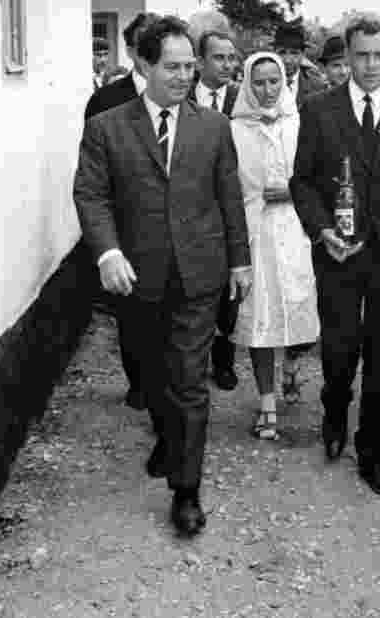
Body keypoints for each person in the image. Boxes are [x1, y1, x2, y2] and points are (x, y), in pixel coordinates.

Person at [73, 16, 251, 536]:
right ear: (144, 65)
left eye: (189, 66)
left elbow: (229, 196)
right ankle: (169, 437)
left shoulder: (213, 127)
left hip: (199, 274)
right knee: (152, 375)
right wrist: (108, 252)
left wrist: (239, 260)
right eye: (172, 67)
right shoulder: (107, 127)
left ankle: (186, 491)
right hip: (136, 277)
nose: (184, 76)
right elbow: (91, 195)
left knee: (190, 380)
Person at [290, 14, 380, 496]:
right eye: (361, 55)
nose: (370, 65)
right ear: (348, 56)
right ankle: (335, 411)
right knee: (340, 352)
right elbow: (302, 181)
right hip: (338, 253)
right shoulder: (319, 108)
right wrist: (323, 230)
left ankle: (373, 452)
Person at [229, 52, 320, 439]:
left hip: (299, 229)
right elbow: (227, 185)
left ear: (285, 82)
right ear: (248, 84)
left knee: (305, 308)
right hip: (257, 232)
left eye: (274, 81)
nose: (267, 90)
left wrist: (293, 191)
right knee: (260, 319)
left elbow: (319, 177)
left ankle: (293, 365)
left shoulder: (301, 124)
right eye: (259, 82)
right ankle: (266, 401)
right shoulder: (234, 130)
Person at [83, 12, 161, 413]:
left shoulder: (182, 93)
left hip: (171, 224)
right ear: (131, 51)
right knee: (132, 313)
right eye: (145, 44)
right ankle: (140, 382)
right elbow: (93, 173)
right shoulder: (105, 100)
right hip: (126, 223)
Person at [190, 30, 241, 390]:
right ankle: (191, 361)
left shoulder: (242, 99)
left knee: (229, 289)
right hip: (192, 208)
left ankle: (224, 362)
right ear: (200, 61)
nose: (227, 65)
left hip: (233, 205)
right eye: (219, 58)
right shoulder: (183, 97)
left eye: (231, 58)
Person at [274, 23, 326, 109]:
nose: (288, 60)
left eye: (294, 53)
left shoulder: (317, 86)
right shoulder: (263, 83)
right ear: (274, 53)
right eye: (282, 52)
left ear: (302, 55)